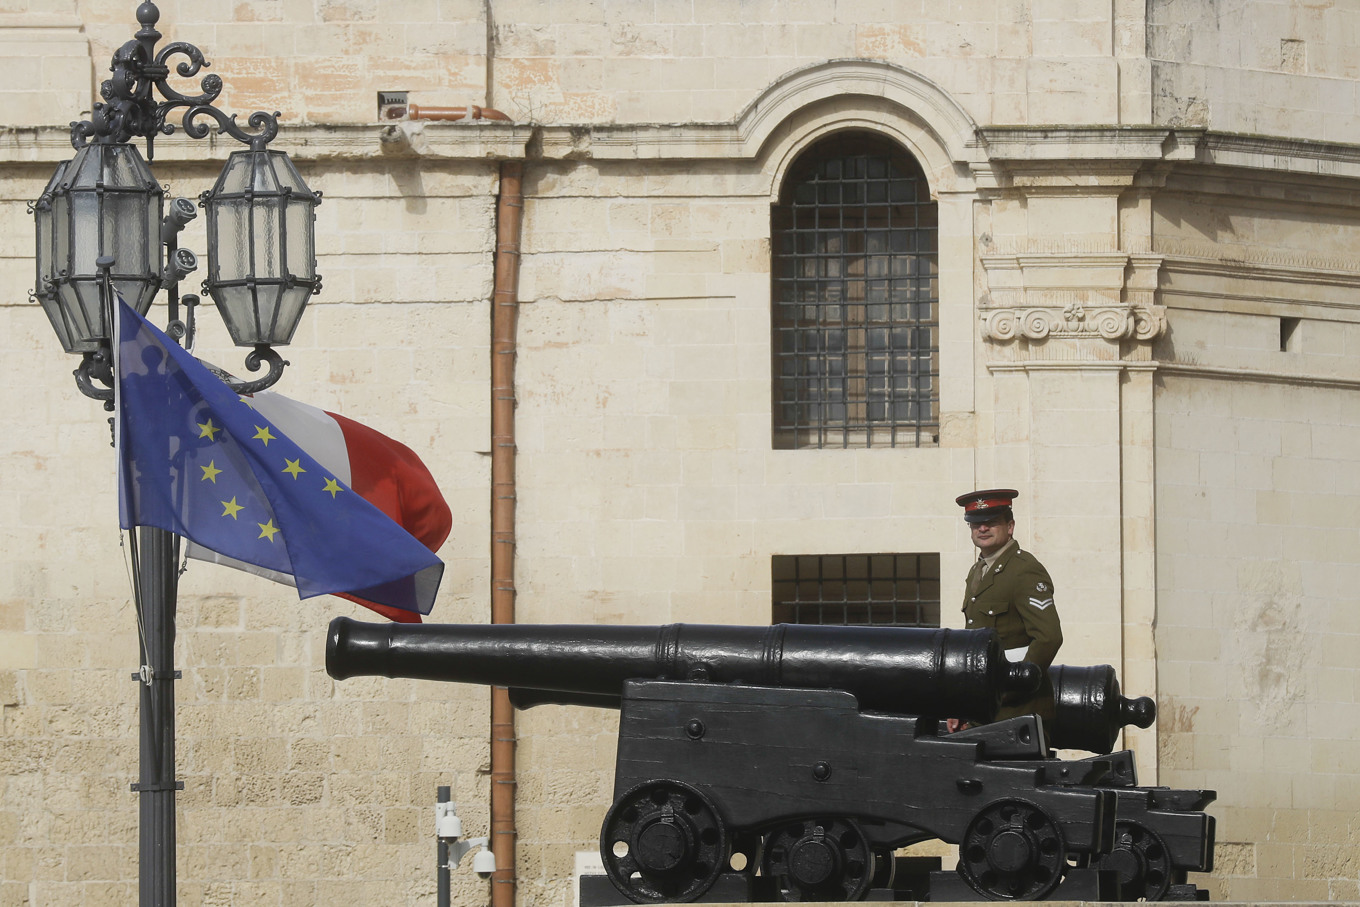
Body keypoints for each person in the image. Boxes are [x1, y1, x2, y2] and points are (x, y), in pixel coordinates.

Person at [951, 488, 1062, 729]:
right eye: (975, 524)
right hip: (986, 708)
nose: (982, 529)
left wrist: (1012, 686)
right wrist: (963, 704)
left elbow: (1048, 638)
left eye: (991, 522)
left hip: (1019, 711)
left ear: (1010, 526)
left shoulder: (1024, 569)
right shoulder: (977, 572)